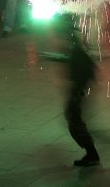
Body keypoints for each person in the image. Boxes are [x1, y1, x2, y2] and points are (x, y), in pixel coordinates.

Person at [40, 16, 100, 167]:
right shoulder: (72, 38)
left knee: (74, 119)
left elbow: (74, 59)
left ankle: (92, 154)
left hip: (80, 84)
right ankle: (91, 153)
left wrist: (78, 90)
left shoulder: (70, 40)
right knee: (73, 117)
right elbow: (69, 57)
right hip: (80, 83)